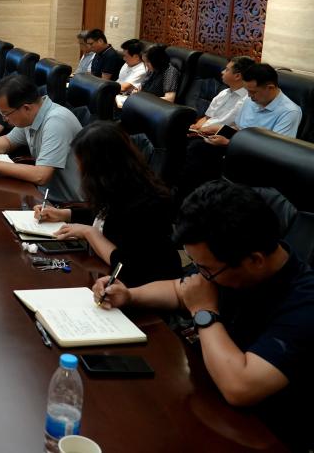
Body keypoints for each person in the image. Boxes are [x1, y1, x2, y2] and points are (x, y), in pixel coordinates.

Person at [93, 180, 314, 450]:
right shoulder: (232, 265)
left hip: (260, 434)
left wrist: (204, 312)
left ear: (255, 260)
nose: (201, 274)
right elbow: (182, 289)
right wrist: (130, 295)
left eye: (207, 269)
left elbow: (240, 387)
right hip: (208, 400)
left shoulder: (305, 303)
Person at [34, 122, 182, 286]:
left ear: (99, 169)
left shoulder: (146, 206)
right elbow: (105, 216)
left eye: (82, 165)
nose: (79, 171)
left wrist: (90, 233)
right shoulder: (122, 186)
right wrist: (64, 214)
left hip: (145, 287)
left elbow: (127, 266)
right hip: (110, 276)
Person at [176, 64, 303, 200]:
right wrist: (220, 130)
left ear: (270, 88)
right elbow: (238, 127)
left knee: (199, 158)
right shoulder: (249, 100)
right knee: (193, 145)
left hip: (257, 160)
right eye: (247, 91)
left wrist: (229, 143)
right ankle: (183, 197)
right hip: (235, 147)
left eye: (253, 92)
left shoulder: (289, 112)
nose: (249, 96)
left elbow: (277, 151)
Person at [0, 74, 83, 202]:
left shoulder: (56, 122)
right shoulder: (32, 115)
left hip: (67, 205)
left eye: (6, 114)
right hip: (42, 195)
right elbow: (8, 141)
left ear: (26, 108)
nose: (5, 119)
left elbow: (41, 176)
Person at [188, 56, 255, 135]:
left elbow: (240, 130)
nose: (222, 72)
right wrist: (196, 127)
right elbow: (207, 117)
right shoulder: (223, 93)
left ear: (237, 76)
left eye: (226, 70)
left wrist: (212, 130)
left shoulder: (249, 100)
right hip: (202, 133)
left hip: (219, 137)